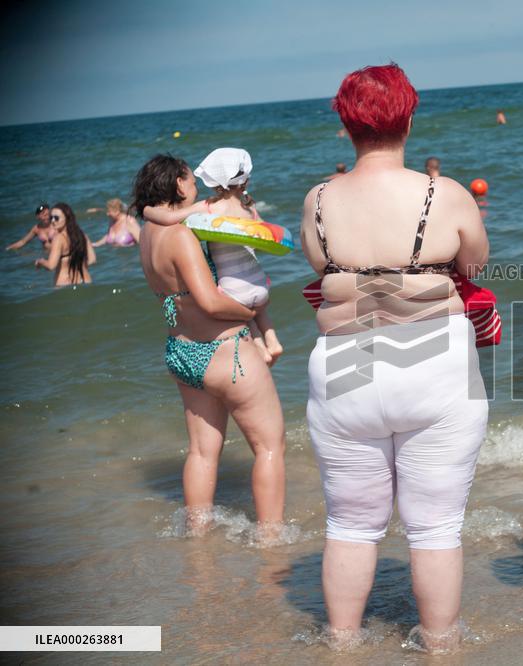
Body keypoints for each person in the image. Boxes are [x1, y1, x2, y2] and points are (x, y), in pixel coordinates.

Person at [300, 64, 489, 651]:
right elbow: (474, 265)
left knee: (349, 526)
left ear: (345, 122)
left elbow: (319, 269)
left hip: (345, 365)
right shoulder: (445, 193)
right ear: (408, 116)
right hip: (433, 363)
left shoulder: (319, 199)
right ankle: (438, 648)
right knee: (434, 528)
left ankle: (342, 646)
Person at [132, 154, 286, 536]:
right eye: (190, 179)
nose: (196, 186)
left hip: (182, 352)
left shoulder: (148, 233)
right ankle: (271, 540)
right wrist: (254, 311)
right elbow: (211, 302)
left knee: (202, 452)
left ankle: (197, 538)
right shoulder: (181, 236)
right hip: (225, 354)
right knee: (269, 447)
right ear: (178, 185)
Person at [142, 148, 284, 365]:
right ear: (245, 180)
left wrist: (147, 211)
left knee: (250, 319)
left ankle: (261, 348)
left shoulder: (208, 207)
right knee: (261, 311)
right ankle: (273, 341)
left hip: (233, 290)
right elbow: (267, 235)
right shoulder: (251, 208)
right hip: (260, 283)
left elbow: (171, 218)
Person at [33, 203, 97, 286]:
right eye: (51, 218)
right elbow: (92, 260)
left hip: (65, 284)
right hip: (86, 281)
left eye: (56, 218)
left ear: (67, 218)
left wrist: (40, 261)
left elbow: (51, 266)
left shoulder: (58, 238)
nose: (52, 221)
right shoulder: (82, 234)